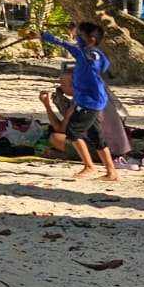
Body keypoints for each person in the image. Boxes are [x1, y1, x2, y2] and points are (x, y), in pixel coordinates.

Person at [40, 23, 119, 181]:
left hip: (90, 102)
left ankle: (89, 167)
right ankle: (112, 173)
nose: (76, 37)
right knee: (96, 136)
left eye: (79, 35)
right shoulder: (82, 52)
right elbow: (64, 43)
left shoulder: (92, 54)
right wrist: (44, 36)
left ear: (91, 40)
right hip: (91, 101)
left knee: (73, 132)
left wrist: (89, 56)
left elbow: (98, 62)